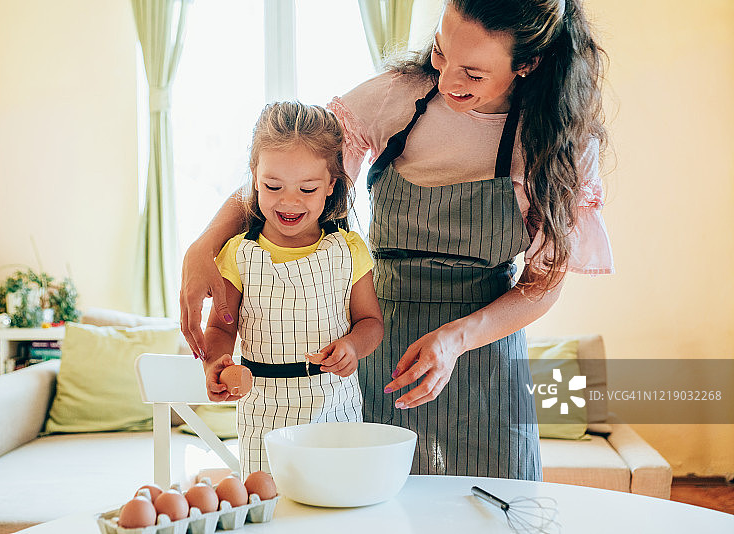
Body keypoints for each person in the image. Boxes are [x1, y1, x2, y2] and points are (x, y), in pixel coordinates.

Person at [182, 0, 613, 480]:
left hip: (486, 363)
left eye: (472, 73)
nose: (446, 81)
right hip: (378, 357)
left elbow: (543, 284)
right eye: (440, 52)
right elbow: (293, 173)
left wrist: (456, 339)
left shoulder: (558, 142)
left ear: (527, 64)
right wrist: (204, 245)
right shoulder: (395, 97)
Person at [201, 101, 384, 477]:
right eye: (273, 186)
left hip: (335, 407)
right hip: (263, 414)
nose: (289, 201)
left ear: (330, 185)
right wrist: (216, 363)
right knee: (271, 501)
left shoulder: (348, 250)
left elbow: (371, 323)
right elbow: (220, 326)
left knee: (335, 495)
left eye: (307, 188)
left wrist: (353, 346)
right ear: (255, 178)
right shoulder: (239, 254)